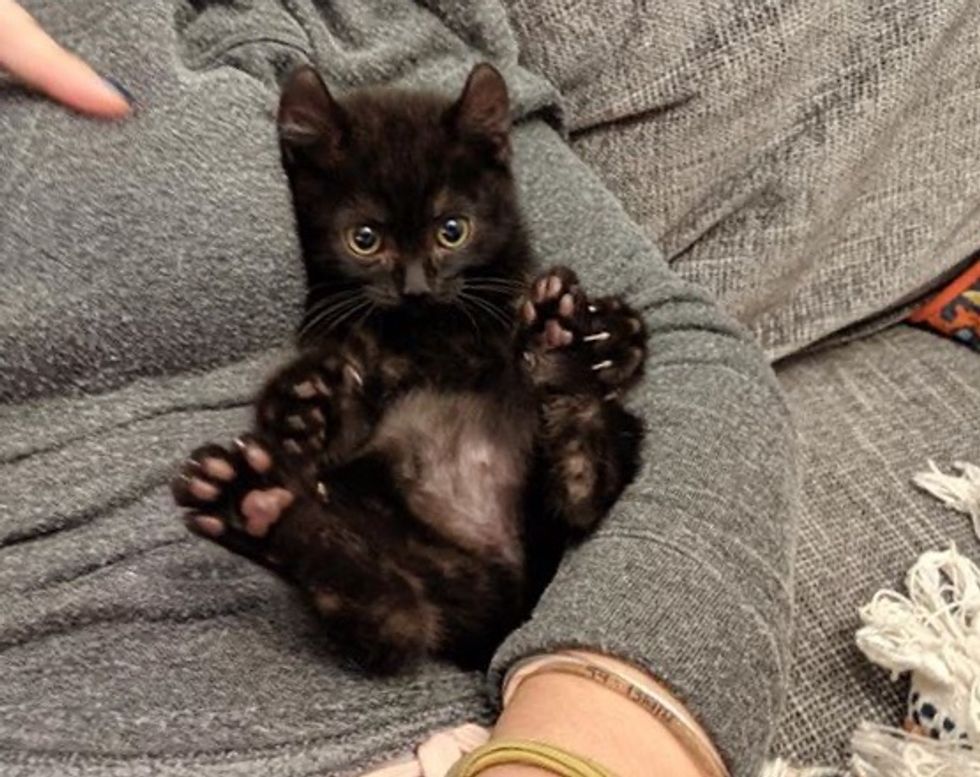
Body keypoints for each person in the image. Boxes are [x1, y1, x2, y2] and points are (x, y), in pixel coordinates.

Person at [0, 2, 796, 777]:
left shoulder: (378, 37)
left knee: (519, 407)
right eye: (368, 241)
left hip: (454, 701)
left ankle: (554, 410)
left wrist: (580, 742)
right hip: (362, 573)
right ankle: (343, 548)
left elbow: (693, 356)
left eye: (447, 235)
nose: (415, 282)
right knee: (373, 482)